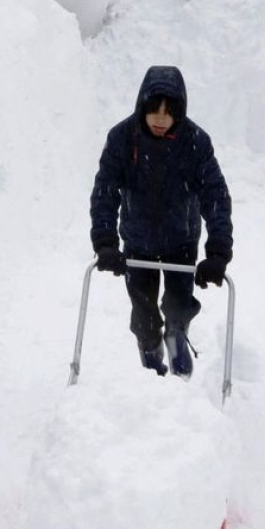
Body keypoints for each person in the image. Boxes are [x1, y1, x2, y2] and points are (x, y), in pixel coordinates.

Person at [89, 65, 234, 378]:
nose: (159, 118)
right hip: (137, 242)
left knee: (178, 304)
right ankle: (150, 349)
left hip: (180, 241)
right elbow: (105, 191)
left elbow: (216, 196)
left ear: (178, 113)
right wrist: (105, 243)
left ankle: (176, 334)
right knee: (143, 313)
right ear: (143, 106)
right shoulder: (122, 138)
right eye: (153, 110)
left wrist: (219, 252)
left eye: (168, 112)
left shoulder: (195, 142)